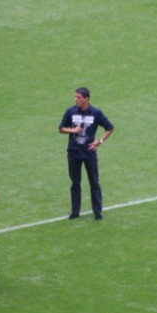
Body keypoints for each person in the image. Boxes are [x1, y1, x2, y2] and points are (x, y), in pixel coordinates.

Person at [58, 87, 114, 220]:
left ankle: (97, 212)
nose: (76, 99)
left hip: (89, 152)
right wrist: (73, 131)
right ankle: (75, 211)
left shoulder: (95, 113)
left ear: (86, 99)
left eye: (79, 97)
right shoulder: (70, 111)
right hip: (73, 152)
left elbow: (110, 128)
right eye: (75, 97)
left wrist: (99, 141)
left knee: (94, 182)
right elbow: (61, 129)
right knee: (75, 182)